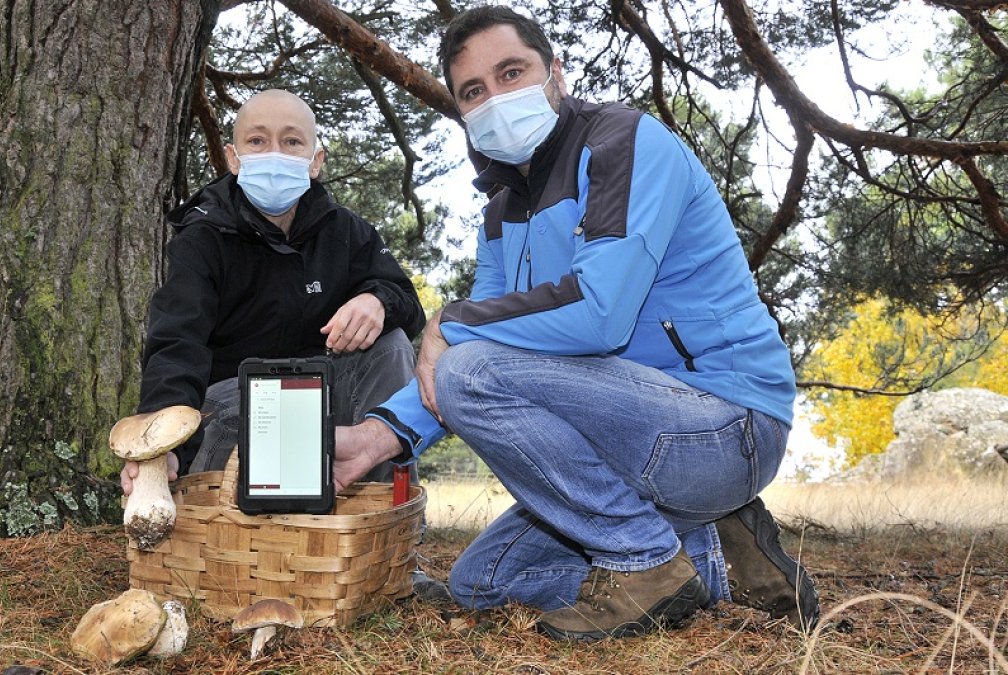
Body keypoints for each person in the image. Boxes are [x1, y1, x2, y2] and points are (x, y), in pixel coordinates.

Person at [332, 6, 819, 640]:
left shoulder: (623, 142)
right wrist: (375, 438)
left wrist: (449, 322)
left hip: (724, 425)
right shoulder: (502, 211)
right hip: (627, 439)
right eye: (473, 91)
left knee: (470, 363)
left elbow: (599, 315)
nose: (496, 98)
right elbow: (465, 352)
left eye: (512, 72)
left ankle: (645, 560)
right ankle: (711, 554)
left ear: (556, 74)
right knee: (481, 583)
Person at [120, 89, 426, 499]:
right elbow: (176, 344)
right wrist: (162, 446)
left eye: (293, 141)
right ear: (233, 157)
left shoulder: (348, 233)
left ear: (316, 161)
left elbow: (407, 303)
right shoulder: (201, 240)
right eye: (258, 141)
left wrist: (377, 301)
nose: (275, 153)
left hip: (323, 407)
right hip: (233, 412)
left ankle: (389, 526)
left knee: (390, 345)